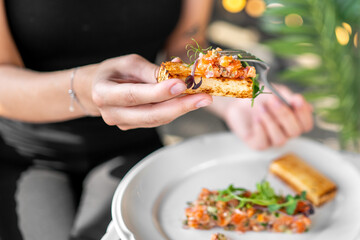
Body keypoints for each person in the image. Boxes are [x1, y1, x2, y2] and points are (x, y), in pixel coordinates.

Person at [0, 0, 313, 239]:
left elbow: (186, 47)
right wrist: (85, 89)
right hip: (29, 152)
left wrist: (235, 102)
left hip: (134, 143)